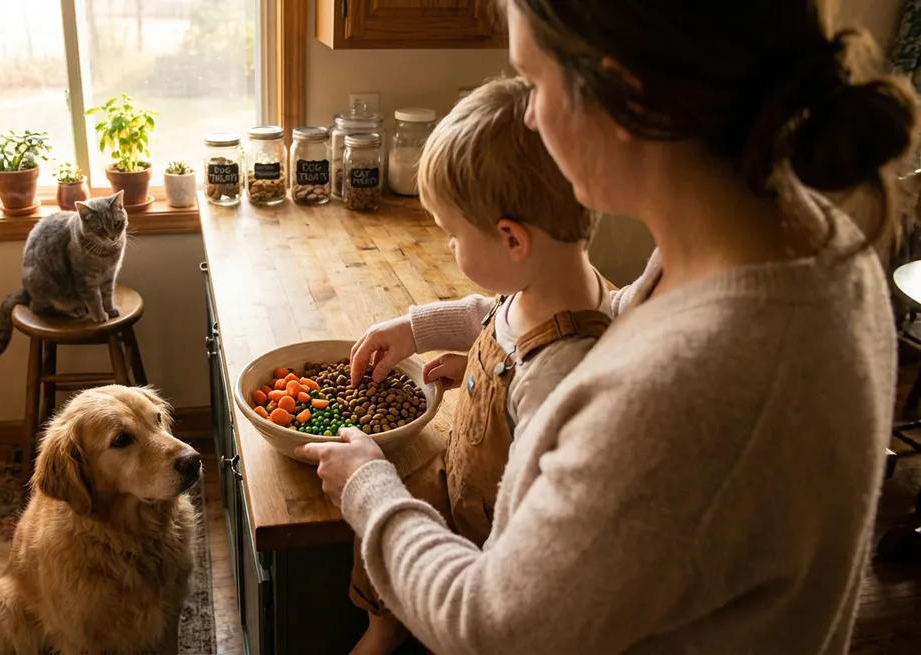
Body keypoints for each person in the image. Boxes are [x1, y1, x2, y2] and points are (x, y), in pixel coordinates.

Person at [297, 1, 918, 653]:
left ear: (626, 93)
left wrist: (370, 489)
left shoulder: (687, 389)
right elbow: (602, 328)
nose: (531, 116)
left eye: (535, 84)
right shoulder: (792, 244)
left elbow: (491, 624)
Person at [345, 76, 613, 655]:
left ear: (511, 240)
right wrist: (414, 329)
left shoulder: (561, 380)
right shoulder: (546, 286)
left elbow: (520, 583)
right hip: (459, 487)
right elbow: (493, 314)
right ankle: (384, 625)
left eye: (451, 236)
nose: (447, 248)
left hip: (487, 558)